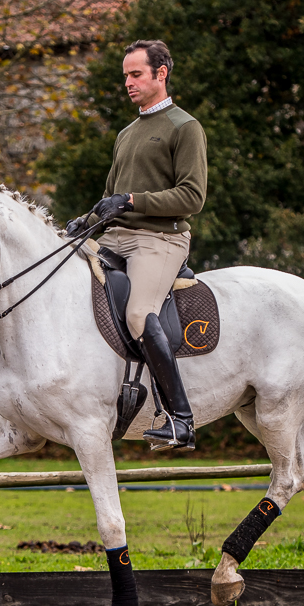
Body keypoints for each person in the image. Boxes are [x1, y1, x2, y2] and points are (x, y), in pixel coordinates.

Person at [67, 39, 207, 451]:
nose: (128, 83)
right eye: (125, 75)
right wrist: (86, 222)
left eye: (136, 74)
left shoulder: (185, 127)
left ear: (160, 74)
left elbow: (192, 197)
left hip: (159, 239)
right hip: (114, 237)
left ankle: (180, 419)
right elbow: (112, 196)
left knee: (138, 312)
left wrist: (131, 201)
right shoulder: (127, 133)